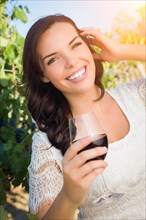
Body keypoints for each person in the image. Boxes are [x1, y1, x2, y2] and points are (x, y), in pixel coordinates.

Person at [22, 14, 146, 220]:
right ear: (43, 75)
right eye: (53, 59)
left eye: (75, 45)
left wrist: (121, 50)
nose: (71, 61)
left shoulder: (137, 95)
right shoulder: (46, 145)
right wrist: (69, 197)